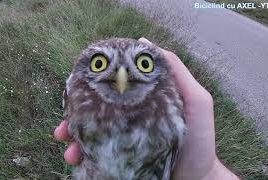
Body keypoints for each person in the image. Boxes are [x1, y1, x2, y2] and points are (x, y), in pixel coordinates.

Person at [54, 38, 240, 180]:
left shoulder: (168, 101)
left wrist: (205, 173)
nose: (122, 76)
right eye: (99, 64)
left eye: (143, 64)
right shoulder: (75, 94)